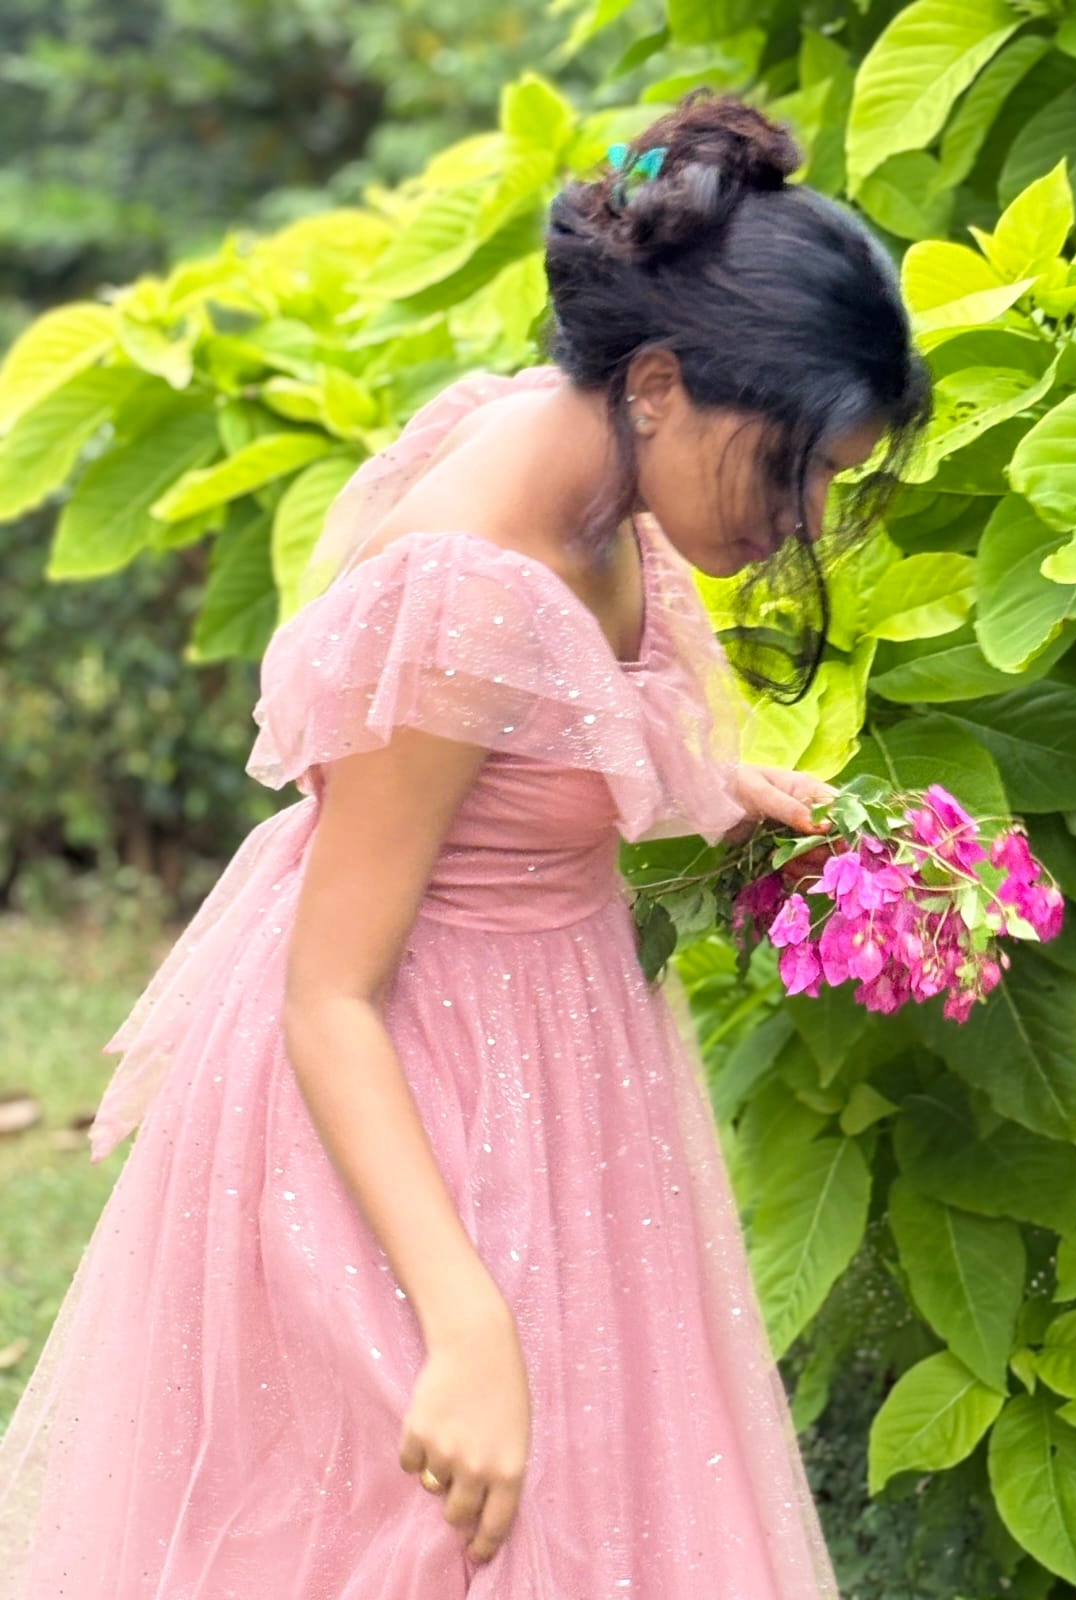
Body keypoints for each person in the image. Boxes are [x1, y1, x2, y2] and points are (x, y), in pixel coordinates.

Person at [0, 90, 928, 1599]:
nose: (806, 516)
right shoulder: (466, 588)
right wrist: (466, 1315)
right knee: (430, 1528)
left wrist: (719, 791)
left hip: (548, 1062)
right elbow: (328, 993)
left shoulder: (588, 465)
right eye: (800, 466)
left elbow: (530, 754)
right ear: (660, 384)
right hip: (405, 1094)